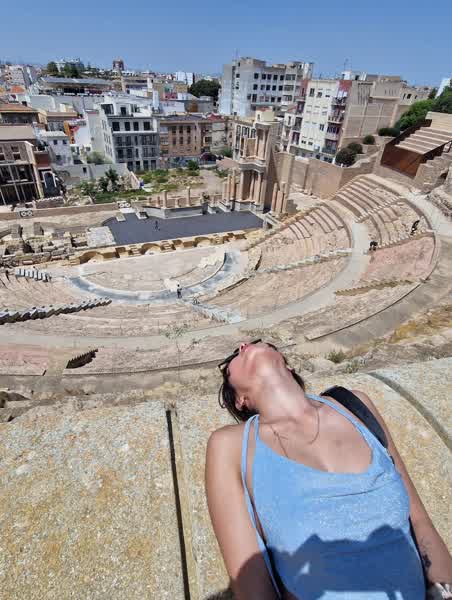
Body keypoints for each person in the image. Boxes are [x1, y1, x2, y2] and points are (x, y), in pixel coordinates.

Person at [206, 340, 452, 600]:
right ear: (240, 400)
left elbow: (419, 521)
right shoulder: (231, 445)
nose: (244, 344)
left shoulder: (356, 406)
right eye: (234, 358)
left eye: (258, 343)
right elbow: (251, 584)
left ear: (289, 367)